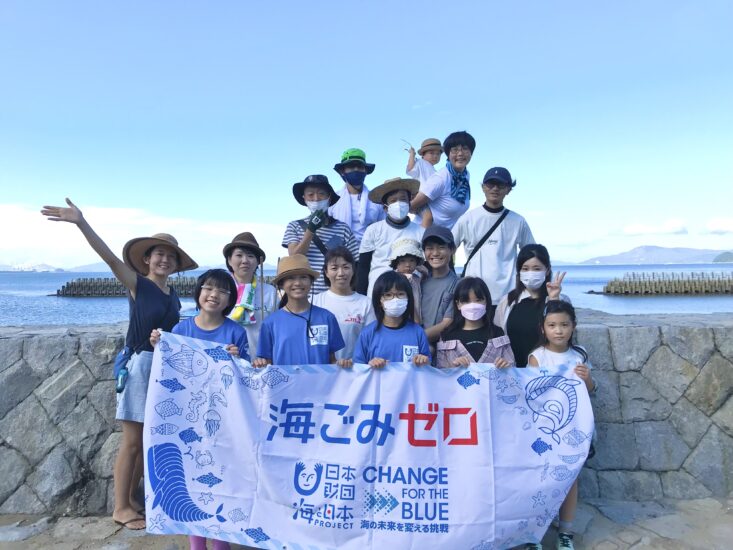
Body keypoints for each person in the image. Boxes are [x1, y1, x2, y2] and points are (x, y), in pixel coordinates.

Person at [40, 198, 197, 531]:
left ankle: (134, 498)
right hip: (140, 365)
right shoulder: (137, 284)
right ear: (146, 259)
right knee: (132, 441)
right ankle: (120, 507)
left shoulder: (171, 294)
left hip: (163, 368)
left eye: (171, 256)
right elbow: (109, 257)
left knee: (147, 440)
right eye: (159, 254)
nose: (165, 259)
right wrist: (81, 222)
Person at [150, 268, 247, 550]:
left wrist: (237, 358)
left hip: (223, 418)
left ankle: (220, 540)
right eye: (208, 288)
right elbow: (168, 370)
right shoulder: (181, 330)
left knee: (221, 477)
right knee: (191, 477)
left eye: (222, 291)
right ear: (199, 292)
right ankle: (196, 542)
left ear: (230, 298)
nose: (214, 295)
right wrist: (160, 344)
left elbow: (247, 376)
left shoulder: (235, 331)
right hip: (186, 420)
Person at [527, 300, 597, 550]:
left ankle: (566, 531)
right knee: (541, 479)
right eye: (553, 325)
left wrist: (587, 379)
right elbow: (531, 394)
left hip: (574, 430)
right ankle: (535, 532)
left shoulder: (580, 355)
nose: (559, 330)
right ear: (543, 328)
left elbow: (590, 391)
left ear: (573, 326)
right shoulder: (537, 357)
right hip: (544, 431)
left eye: (564, 325)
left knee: (570, 479)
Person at [452, 166, 535, 304]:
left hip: (508, 296)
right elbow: (448, 248)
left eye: (500, 185)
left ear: (508, 189)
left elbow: (532, 255)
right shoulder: (468, 219)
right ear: (483, 187)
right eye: (490, 184)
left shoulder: (518, 221)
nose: (495, 188)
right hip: (475, 296)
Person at [254, 254, 345, 366]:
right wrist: (260, 363)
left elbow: (332, 360)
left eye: (303, 277)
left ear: (311, 282)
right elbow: (267, 364)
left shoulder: (327, 318)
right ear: (282, 284)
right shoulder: (270, 323)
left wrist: (342, 364)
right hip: (285, 384)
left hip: (320, 383)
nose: (297, 283)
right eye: (291, 278)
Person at [494, 244, 568, 367]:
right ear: (519, 271)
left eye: (537, 268)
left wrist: (553, 299)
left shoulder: (561, 300)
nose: (531, 273)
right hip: (513, 371)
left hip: (547, 371)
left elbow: (564, 337)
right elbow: (497, 339)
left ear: (547, 270)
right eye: (525, 269)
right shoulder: (508, 301)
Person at [283, 174, 359, 294]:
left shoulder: (343, 228)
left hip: (336, 295)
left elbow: (354, 264)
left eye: (321, 193)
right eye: (310, 194)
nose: (316, 198)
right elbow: (295, 258)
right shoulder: (294, 226)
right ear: (304, 198)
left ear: (329, 197)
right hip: (305, 296)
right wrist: (310, 230)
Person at [356, 177, 424, 297]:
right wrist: (361, 297)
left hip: (410, 295)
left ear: (409, 203)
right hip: (377, 293)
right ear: (385, 207)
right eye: (393, 200)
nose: (398, 204)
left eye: (403, 199)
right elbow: (363, 267)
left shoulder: (421, 231)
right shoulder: (373, 230)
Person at [353, 271, 431, 368]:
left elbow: (428, 368)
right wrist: (370, 365)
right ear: (379, 300)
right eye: (388, 295)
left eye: (401, 294)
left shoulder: (418, 332)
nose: (395, 299)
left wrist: (424, 362)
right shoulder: (367, 333)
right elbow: (358, 370)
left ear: (408, 298)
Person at [312, 246, 373, 365]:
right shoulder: (314, 302)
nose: (341, 273)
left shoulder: (366, 303)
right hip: (321, 372)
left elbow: (371, 341)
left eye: (346, 267)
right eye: (334, 268)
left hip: (355, 371)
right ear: (326, 272)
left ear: (353, 270)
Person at [435, 277, 514, 368]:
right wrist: (454, 367)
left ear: (486, 302)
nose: (472, 305)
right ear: (458, 304)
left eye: (478, 300)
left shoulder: (498, 333)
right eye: (466, 301)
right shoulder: (447, 336)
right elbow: (440, 372)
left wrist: (505, 366)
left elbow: (512, 367)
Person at [222, 232, 277, 355]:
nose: (245, 260)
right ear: (229, 260)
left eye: (250, 256)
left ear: (258, 262)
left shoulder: (269, 292)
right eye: (239, 255)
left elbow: (276, 328)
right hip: (227, 360)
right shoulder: (222, 290)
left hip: (261, 361)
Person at [409, 131, 474, 229]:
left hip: (444, 238)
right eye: (455, 150)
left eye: (465, 149)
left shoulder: (465, 175)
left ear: (471, 152)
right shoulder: (440, 178)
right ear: (448, 154)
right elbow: (411, 206)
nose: (460, 153)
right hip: (426, 238)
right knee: (428, 217)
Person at [329, 148, 386, 245]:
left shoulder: (376, 200)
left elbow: (384, 228)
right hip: (340, 254)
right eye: (351, 167)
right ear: (343, 171)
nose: (356, 170)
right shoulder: (332, 200)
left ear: (365, 171)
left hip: (372, 253)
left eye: (360, 167)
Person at [419, 225, 459, 343]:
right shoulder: (418, 281)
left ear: (452, 250)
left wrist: (415, 339)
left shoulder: (457, 284)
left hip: (442, 349)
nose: (435, 253)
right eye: (429, 248)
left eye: (441, 247)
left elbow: (447, 323)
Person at [405, 138, 443, 228]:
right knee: (428, 217)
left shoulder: (434, 170)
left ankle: (417, 230)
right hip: (420, 197)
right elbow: (410, 169)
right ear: (423, 154)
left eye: (438, 154)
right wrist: (412, 155)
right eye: (431, 153)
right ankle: (421, 238)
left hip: (428, 200)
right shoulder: (420, 162)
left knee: (424, 219)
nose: (435, 156)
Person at [389, 238, 427, 325]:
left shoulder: (416, 277)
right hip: (405, 318)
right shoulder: (395, 278)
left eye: (412, 260)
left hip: (418, 314)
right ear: (396, 263)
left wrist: (423, 272)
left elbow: (422, 282)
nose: (407, 264)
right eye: (403, 261)